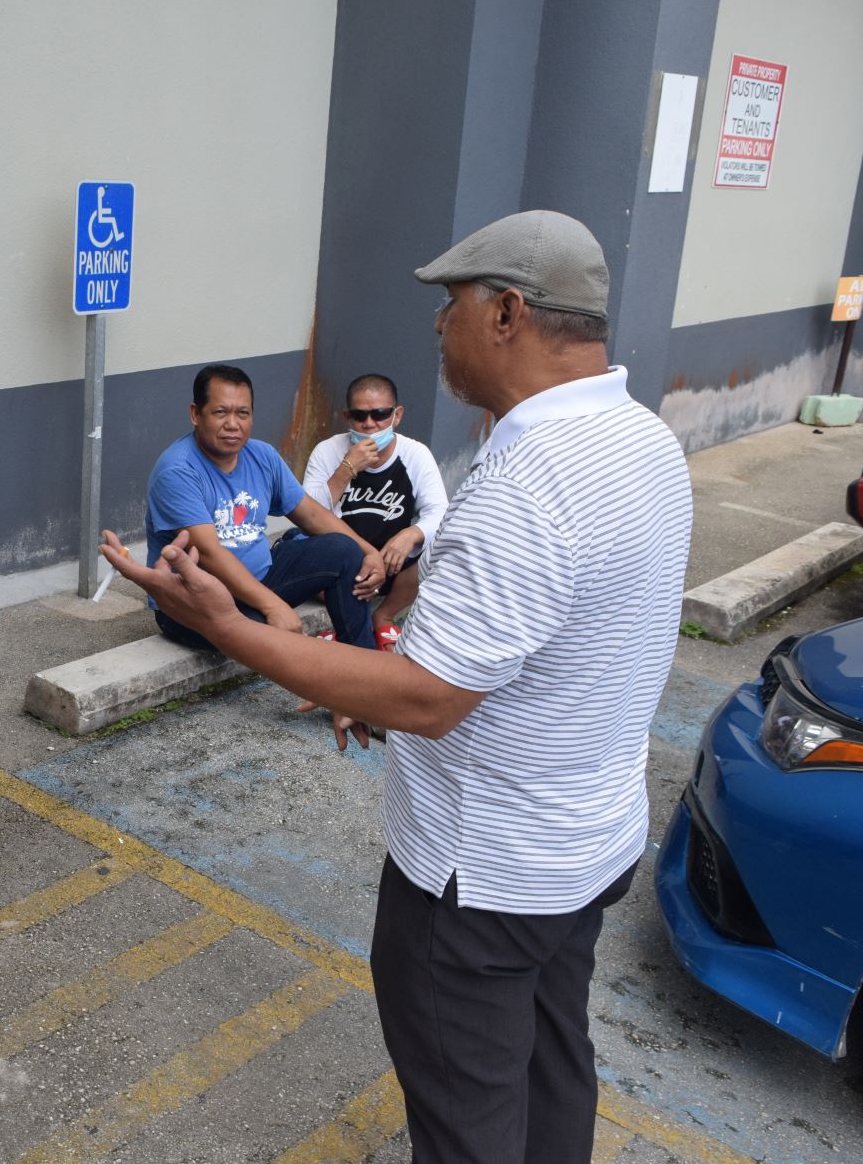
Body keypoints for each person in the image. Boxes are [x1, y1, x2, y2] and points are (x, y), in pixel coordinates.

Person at [103, 210, 691, 1164]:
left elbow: (426, 694)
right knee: (551, 1066)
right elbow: (540, 640)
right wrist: (384, 663)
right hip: (584, 848)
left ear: (504, 312)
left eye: (449, 305)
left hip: (481, 882)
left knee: (467, 1119)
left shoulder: (531, 478)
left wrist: (223, 626)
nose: (436, 326)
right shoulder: (641, 439)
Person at [145, 363, 384, 653]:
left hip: (260, 581)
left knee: (344, 550)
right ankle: (322, 668)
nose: (233, 424)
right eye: (221, 412)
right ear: (196, 414)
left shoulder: (262, 455)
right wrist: (273, 606)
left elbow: (310, 513)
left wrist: (369, 552)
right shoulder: (177, 470)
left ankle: (361, 660)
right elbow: (210, 553)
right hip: (193, 604)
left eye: (242, 413)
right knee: (258, 626)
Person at [302, 374, 447, 650]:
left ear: (397, 415)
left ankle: (383, 615)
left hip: (393, 561)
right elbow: (307, 513)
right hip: (343, 562)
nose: (370, 425)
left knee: (439, 549)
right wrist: (347, 469)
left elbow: (440, 511)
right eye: (360, 416)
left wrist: (411, 534)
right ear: (347, 416)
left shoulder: (415, 454)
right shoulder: (328, 451)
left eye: (380, 414)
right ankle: (346, 626)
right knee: (314, 550)